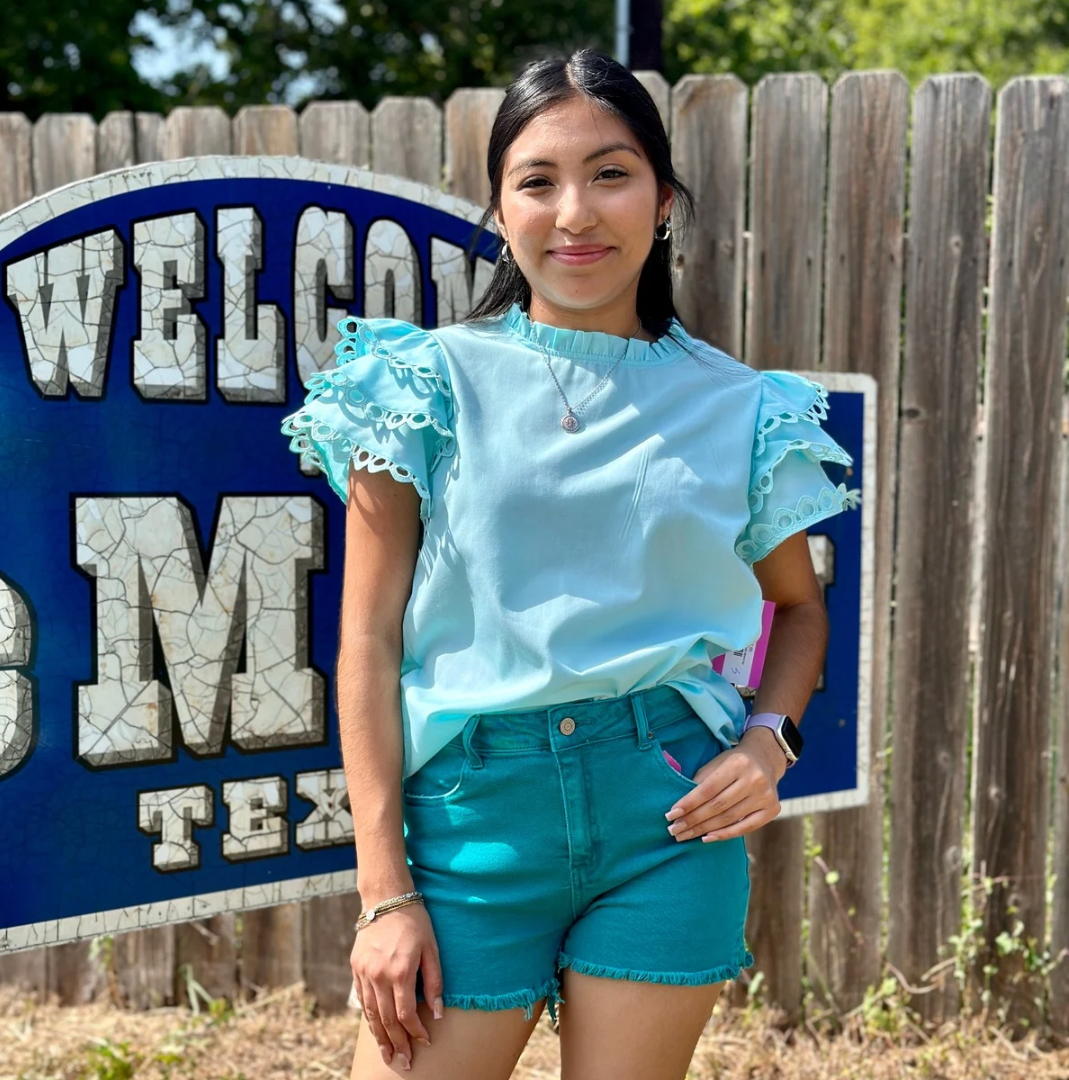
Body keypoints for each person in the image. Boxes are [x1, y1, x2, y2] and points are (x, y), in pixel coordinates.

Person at [281, 47, 860, 1080]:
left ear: (665, 200)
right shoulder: (418, 385)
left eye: (611, 173)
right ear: (501, 214)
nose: (576, 212)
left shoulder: (744, 407)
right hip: (465, 828)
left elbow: (800, 613)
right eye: (538, 181)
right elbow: (363, 642)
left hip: (667, 819)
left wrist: (771, 741)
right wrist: (384, 893)